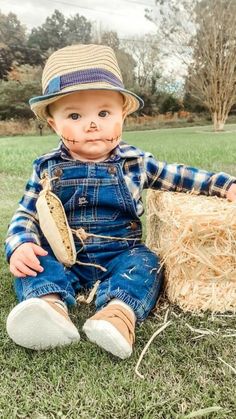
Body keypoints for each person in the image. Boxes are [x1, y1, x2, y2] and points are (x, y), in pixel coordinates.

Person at [5, 44, 236, 359]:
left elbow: (180, 176)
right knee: (33, 266)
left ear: (122, 114)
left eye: (104, 113)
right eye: (74, 115)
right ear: (53, 124)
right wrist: (20, 244)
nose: (92, 124)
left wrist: (223, 184)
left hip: (121, 254)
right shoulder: (45, 167)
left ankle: (118, 313)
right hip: (62, 254)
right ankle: (48, 308)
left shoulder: (135, 162)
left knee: (148, 264)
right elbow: (26, 213)